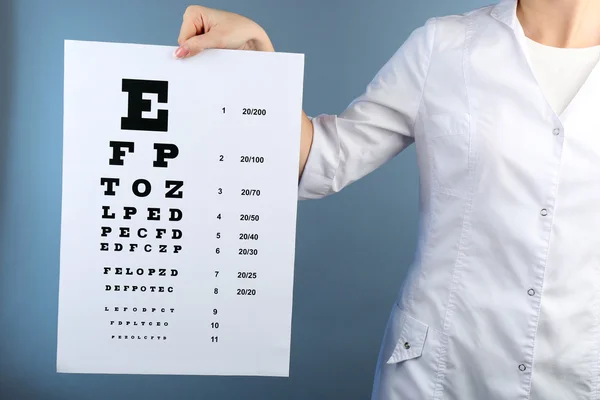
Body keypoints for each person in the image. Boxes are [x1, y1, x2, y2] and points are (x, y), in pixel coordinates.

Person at [175, 0, 600, 399]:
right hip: (441, 370)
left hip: (577, 369)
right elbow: (323, 160)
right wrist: (260, 62)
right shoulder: (446, 45)